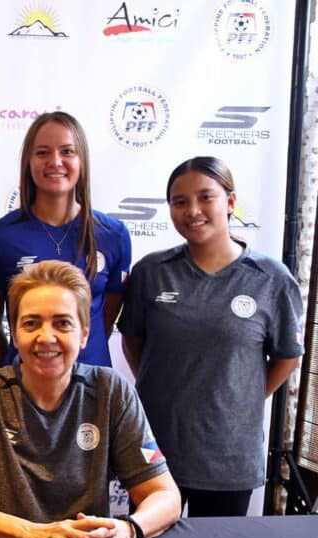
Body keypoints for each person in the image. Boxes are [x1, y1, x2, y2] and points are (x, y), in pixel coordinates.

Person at [0, 260, 180, 538]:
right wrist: (33, 534)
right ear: (15, 333)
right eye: (31, 323)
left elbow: (165, 495)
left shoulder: (111, 390)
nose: (46, 337)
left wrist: (129, 529)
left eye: (62, 323)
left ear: (85, 333)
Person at [119, 157, 303, 517]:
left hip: (228, 455)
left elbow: (287, 356)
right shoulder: (151, 272)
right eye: (180, 201)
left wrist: (241, 396)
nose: (193, 211)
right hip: (156, 449)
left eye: (206, 198)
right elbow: (133, 341)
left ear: (231, 202)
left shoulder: (270, 278)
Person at [0, 111, 131, 368]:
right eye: (42, 152)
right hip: (23, 384)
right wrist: (7, 373)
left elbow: (103, 320)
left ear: (81, 159)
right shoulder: (0, 235)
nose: (55, 161)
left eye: (67, 151)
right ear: (28, 161)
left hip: (91, 385)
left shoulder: (113, 234)